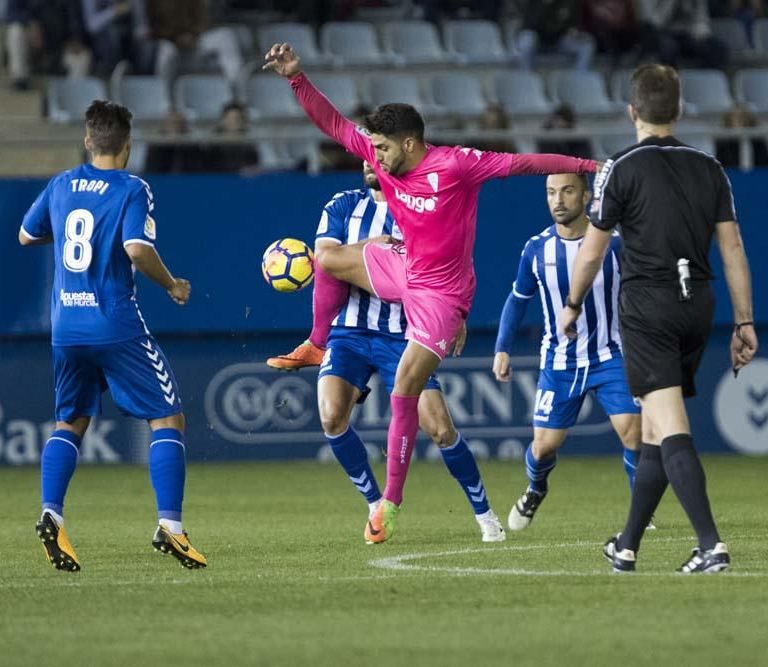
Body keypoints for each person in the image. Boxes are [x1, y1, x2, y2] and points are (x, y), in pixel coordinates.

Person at [262, 42, 597, 544]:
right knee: (325, 257)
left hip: (441, 298)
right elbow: (333, 125)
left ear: (411, 144)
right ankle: (317, 341)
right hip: (403, 269)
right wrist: (296, 78)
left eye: (383, 149)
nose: (373, 158)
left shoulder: (456, 166)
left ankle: (389, 504)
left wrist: (590, 167)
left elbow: (526, 163)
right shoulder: (385, 158)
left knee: (404, 392)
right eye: (372, 148)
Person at [559, 64, 757, 574]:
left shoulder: (619, 168)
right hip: (700, 304)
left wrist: (573, 303)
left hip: (649, 307)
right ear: (680, 110)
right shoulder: (709, 167)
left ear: (632, 112)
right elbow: (732, 248)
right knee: (652, 428)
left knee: (669, 425)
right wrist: (744, 322)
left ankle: (711, 545)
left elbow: (592, 252)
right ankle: (626, 545)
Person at [19, 100, 206, 571]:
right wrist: (172, 284)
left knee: (71, 422)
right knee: (168, 419)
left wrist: (66, 231)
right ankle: (171, 527)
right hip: (114, 324)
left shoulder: (61, 184)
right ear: (128, 145)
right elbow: (137, 248)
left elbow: (25, 235)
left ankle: (51, 514)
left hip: (65, 327)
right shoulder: (132, 187)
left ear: (88, 140)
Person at [311, 161, 505, 543]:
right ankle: (374, 504)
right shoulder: (343, 204)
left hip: (405, 333)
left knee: (440, 428)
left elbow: (450, 261)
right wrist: (372, 246)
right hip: (349, 331)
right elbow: (325, 256)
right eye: (364, 154)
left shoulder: (422, 206)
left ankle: (485, 515)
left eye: (378, 152)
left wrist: (454, 314)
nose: (370, 162)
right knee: (332, 416)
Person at [493, 173, 644, 532]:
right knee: (543, 448)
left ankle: (642, 507)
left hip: (610, 355)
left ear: (586, 196)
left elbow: (642, 293)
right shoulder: (536, 250)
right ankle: (536, 488)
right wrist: (502, 348)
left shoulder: (615, 245)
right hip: (559, 363)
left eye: (567, 191)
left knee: (634, 434)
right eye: (550, 192)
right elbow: (517, 301)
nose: (557, 200)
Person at [5, 0, 91, 91]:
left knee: (82, 57)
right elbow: (11, 14)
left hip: (59, 48)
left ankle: (72, 94)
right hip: (31, 47)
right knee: (16, 30)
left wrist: (75, 39)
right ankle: (20, 80)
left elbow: (75, 20)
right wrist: (30, 23)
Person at [515, 0, 595, 71]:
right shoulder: (534, 2)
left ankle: (578, 80)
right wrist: (545, 4)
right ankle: (526, 77)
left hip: (559, 41)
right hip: (537, 42)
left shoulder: (570, 2)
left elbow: (574, 25)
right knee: (527, 39)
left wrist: (576, 33)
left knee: (586, 46)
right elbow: (530, 24)